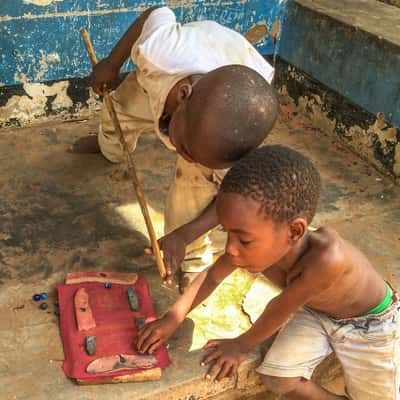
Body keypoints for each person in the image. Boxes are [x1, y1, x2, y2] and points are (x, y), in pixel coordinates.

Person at [136, 145, 399, 400]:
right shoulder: (265, 243)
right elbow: (213, 275)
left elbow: (279, 309)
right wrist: (173, 318)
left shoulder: (327, 260)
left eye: (244, 240)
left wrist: (241, 345)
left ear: (294, 231)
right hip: (319, 312)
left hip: (373, 326)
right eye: (227, 234)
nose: (231, 249)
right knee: (277, 377)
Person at [70, 6, 279, 291]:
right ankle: (110, 146)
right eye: (183, 147)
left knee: (194, 184)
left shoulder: (243, 121)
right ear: (183, 95)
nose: (182, 156)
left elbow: (234, 195)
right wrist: (112, 63)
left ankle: (193, 258)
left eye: (193, 155)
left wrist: (185, 234)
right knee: (118, 110)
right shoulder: (159, 52)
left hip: (213, 90)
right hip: (159, 84)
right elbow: (154, 12)